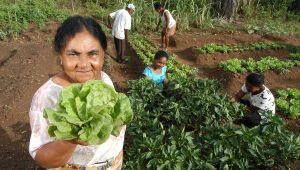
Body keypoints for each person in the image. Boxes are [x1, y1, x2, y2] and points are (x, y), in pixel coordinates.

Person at [29, 16, 125, 170]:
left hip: (114, 163)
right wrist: (71, 139)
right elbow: (42, 158)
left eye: (93, 53)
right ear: (60, 55)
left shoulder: (104, 79)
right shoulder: (48, 96)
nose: (84, 64)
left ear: (103, 54)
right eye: (73, 54)